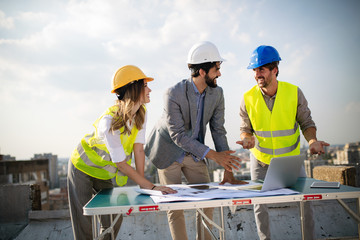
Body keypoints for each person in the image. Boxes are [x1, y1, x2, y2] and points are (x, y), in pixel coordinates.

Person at [145, 41, 246, 240]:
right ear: (202, 71)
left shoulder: (217, 94)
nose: (219, 73)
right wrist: (214, 156)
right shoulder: (173, 93)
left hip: (195, 151)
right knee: (174, 208)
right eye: (217, 69)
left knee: (208, 202)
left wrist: (228, 169)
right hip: (168, 151)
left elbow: (218, 130)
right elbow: (178, 136)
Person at [67, 65, 176, 240]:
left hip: (102, 173)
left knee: (113, 220)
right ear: (134, 89)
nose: (150, 89)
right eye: (145, 85)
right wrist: (152, 186)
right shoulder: (110, 122)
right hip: (81, 168)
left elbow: (138, 150)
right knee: (84, 225)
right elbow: (121, 164)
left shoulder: (141, 112)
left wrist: (144, 187)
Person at [237, 45, 330, 240]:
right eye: (255, 70)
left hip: (291, 162)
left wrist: (312, 140)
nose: (257, 74)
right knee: (259, 206)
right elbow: (246, 128)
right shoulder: (247, 98)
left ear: (274, 70)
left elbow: (306, 122)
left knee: (306, 202)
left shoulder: (294, 92)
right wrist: (246, 140)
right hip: (261, 160)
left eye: (261, 69)